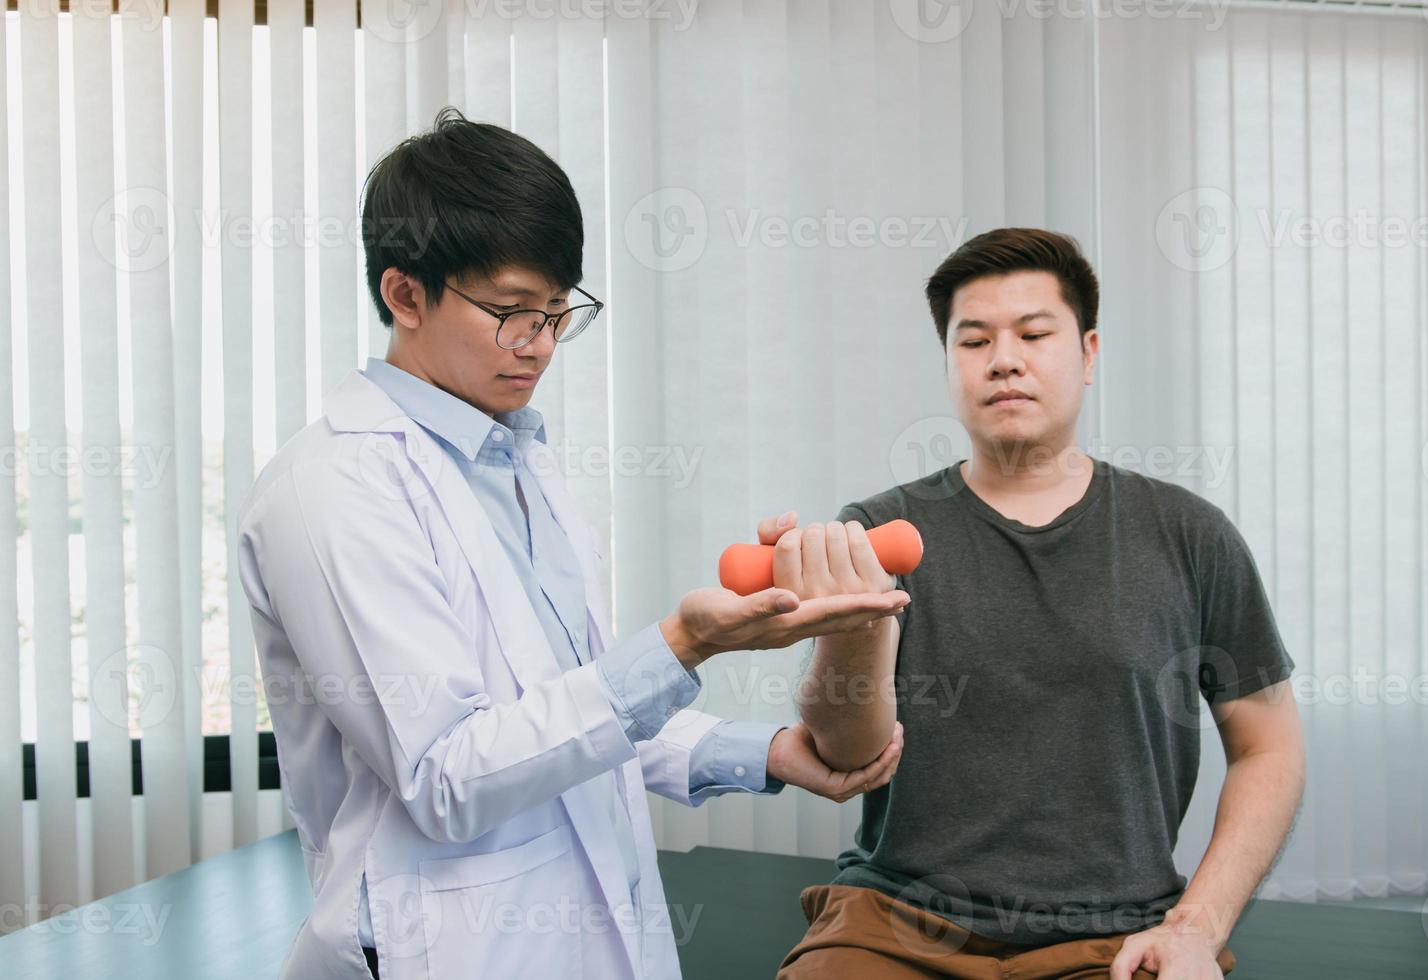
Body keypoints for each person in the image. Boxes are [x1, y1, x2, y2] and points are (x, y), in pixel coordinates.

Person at [236, 106, 909, 980]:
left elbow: (564, 713)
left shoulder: (516, 458)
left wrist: (763, 753)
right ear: (405, 295)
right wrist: (684, 643)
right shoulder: (332, 488)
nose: (542, 347)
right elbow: (448, 776)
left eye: (560, 313)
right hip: (447, 947)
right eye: (514, 314)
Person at [771, 228, 1306, 979]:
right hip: (896, 924)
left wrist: (1196, 926)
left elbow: (1269, 746)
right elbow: (845, 758)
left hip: (1114, 936)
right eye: (974, 340)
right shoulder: (879, 533)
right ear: (950, 362)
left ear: (1087, 353)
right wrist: (854, 628)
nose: (1004, 359)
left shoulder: (1189, 535)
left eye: (1032, 333)